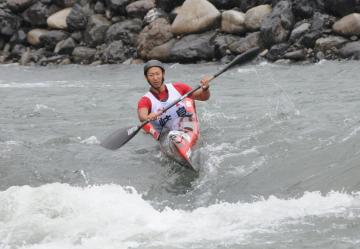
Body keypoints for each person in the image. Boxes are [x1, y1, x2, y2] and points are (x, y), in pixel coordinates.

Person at [137, 59, 211, 139]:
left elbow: (203, 97)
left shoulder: (179, 87)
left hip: (187, 128)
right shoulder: (145, 100)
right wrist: (148, 117)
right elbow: (142, 116)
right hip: (168, 136)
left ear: (163, 74)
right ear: (146, 77)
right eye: (151, 75)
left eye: (158, 74)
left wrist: (205, 89)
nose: (155, 78)